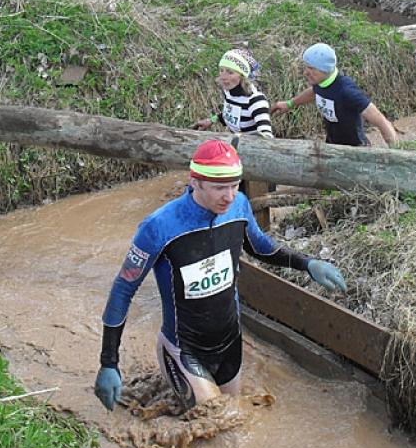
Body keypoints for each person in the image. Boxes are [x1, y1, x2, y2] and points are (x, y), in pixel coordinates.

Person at [93, 139, 347, 412]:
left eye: (234, 185)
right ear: (195, 182)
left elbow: (261, 248)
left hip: (229, 344)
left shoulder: (238, 206)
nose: (228, 195)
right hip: (183, 347)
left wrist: (308, 264)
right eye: (219, 188)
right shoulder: (158, 226)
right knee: (216, 418)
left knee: (235, 414)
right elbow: (123, 289)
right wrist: (109, 361)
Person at [271, 43, 398, 147]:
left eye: (311, 69)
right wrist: (289, 104)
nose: (305, 73)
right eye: (306, 68)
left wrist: (395, 151)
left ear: (325, 69)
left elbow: (380, 120)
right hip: (332, 144)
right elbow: (313, 92)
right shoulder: (321, 82)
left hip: (355, 149)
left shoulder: (347, 91)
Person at [194, 49, 273, 137]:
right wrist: (211, 120)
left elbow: (266, 134)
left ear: (242, 77)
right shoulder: (229, 92)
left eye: (230, 72)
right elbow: (230, 112)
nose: (223, 77)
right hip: (233, 141)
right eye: (221, 70)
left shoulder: (256, 101)